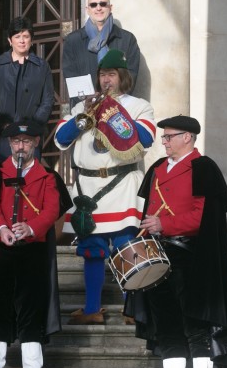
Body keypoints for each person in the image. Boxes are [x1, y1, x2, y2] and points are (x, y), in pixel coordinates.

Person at [126, 116, 227, 368]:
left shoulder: (203, 168)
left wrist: (165, 223)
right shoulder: (157, 168)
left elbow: (204, 217)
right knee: (166, 327)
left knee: (196, 327)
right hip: (158, 256)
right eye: (163, 137)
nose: (164, 141)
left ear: (187, 137)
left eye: (169, 136)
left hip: (192, 257)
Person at [54, 49, 155, 324]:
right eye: (102, 75)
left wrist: (112, 112)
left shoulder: (138, 106)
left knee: (126, 246)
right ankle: (92, 309)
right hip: (87, 185)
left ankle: (132, 309)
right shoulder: (83, 106)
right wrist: (83, 115)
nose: (105, 80)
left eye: (111, 75)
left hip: (121, 183)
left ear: (122, 77)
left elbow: (145, 139)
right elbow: (60, 140)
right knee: (92, 248)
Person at [0, 120, 62, 368]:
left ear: (36, 143)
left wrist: (32, 228)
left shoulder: (48, 176)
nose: (20, 147)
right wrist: (2, 228)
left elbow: (51, 210)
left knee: (31, 310)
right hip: (0, 247)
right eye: (15, 142)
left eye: (25, 141)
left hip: (32, 249)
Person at [0, 17, 55, 166]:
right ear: (10, 40)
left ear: (31, 40)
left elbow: (47, 100)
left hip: (30, 136)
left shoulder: (42, 66)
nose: (22, 41)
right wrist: (3, 125)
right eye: (17, 36)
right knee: (0, 181)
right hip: (2, 135)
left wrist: (32, 126)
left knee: (29, 182)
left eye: (26, 36)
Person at [62, 0, 141, 95]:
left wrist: (113, 102)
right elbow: (71, 76)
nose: (98, 8)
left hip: (118, 106)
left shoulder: (127, 39)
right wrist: (91, 104)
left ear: (110, 7)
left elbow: (130, 76)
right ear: (88, 10)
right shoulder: (73, 41)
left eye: (103, 4)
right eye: (93, 5)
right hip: (86, 106)